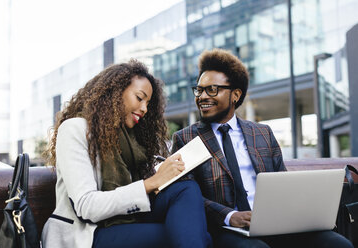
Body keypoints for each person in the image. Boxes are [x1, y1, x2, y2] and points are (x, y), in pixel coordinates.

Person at [171, 49, 353, 248]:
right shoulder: (186, 138)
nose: (202, 96)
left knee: (336, 244)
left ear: (235, 95)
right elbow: (186, 197)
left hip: (275, 222)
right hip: (225, 229)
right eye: (199, 90)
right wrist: (230, 216)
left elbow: (283, 183)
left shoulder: (262, 133)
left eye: (212, 89)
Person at [41, 60, 212, 248]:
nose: (145, 109)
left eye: (148, 103)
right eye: (140, 98)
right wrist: (150, 183)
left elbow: (140, 189)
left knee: (186, 189)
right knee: (187, 235)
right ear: (114, 93)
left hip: (127, 219)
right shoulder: (75, 129)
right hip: (87, 233)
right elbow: (86, 206)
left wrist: (161, 178)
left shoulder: (133, 138)